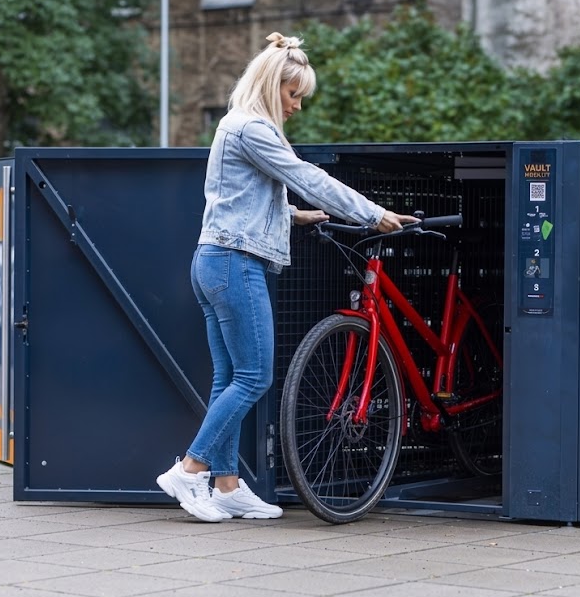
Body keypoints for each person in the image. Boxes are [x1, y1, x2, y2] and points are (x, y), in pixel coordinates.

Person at [156, 32, 419, 522]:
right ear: (271, 84)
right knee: (255, 376)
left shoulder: (232, 126)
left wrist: (294, 217)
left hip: (213, 260)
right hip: (235, 264)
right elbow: (307, 176)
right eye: (293, 94)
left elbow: (237, 194)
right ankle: (189, 470)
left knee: (230, 378)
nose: (297, 106)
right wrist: (372, 212)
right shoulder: (254, 129)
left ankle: (228, 485)